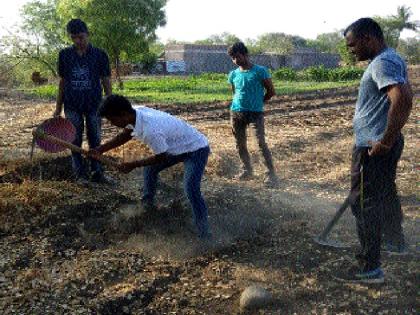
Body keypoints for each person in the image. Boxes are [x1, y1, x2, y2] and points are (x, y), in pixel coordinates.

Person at [338, 18, 413, 283]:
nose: (351, 50)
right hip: (382, 143)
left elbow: (402, 97)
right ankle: (395, 242)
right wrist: (389, 139)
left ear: (368, 38)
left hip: (373, 147)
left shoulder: (382, 62)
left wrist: (385, 141)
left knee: (364, 204)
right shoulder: (389, 58)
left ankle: (369, 267)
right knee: (385, 192)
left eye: (353, 45)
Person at [89, 94, 211, 239]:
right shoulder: (134, 112)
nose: (111, 123)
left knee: (191, 189)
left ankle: (204, 234)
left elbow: (161, 157)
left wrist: (133, 165)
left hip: (196, 149)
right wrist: (100, 150)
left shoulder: (151, 130)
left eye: (111, 119)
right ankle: (147, 206)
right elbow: (125, 135)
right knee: (150, 169)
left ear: (123, 114)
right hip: (175, 147)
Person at [53, 19, 112, 184]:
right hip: (72, 105)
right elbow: (63, 82)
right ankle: (80, 175)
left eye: (81, 37)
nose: (78, 41)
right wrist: (58, 107)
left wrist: (110, 102)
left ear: (88, 34)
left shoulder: (100, 55)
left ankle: (97, 172)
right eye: (74, 38)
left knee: (95, 138)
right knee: (74, 139)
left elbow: (106, 80)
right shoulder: (65, 55)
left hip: (95, 105)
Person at [227, 42, 279, 187]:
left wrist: (258, 102)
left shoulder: (260, 71)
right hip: (236, 112)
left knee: (260, 143)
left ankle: (270, 174)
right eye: (232, 58)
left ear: (245, 55)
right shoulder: (233, 74)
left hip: (256, 113)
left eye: (237, 56)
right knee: (240, 144)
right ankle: (247, 170)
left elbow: (271, 91)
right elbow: (235, 92)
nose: (235, 60)